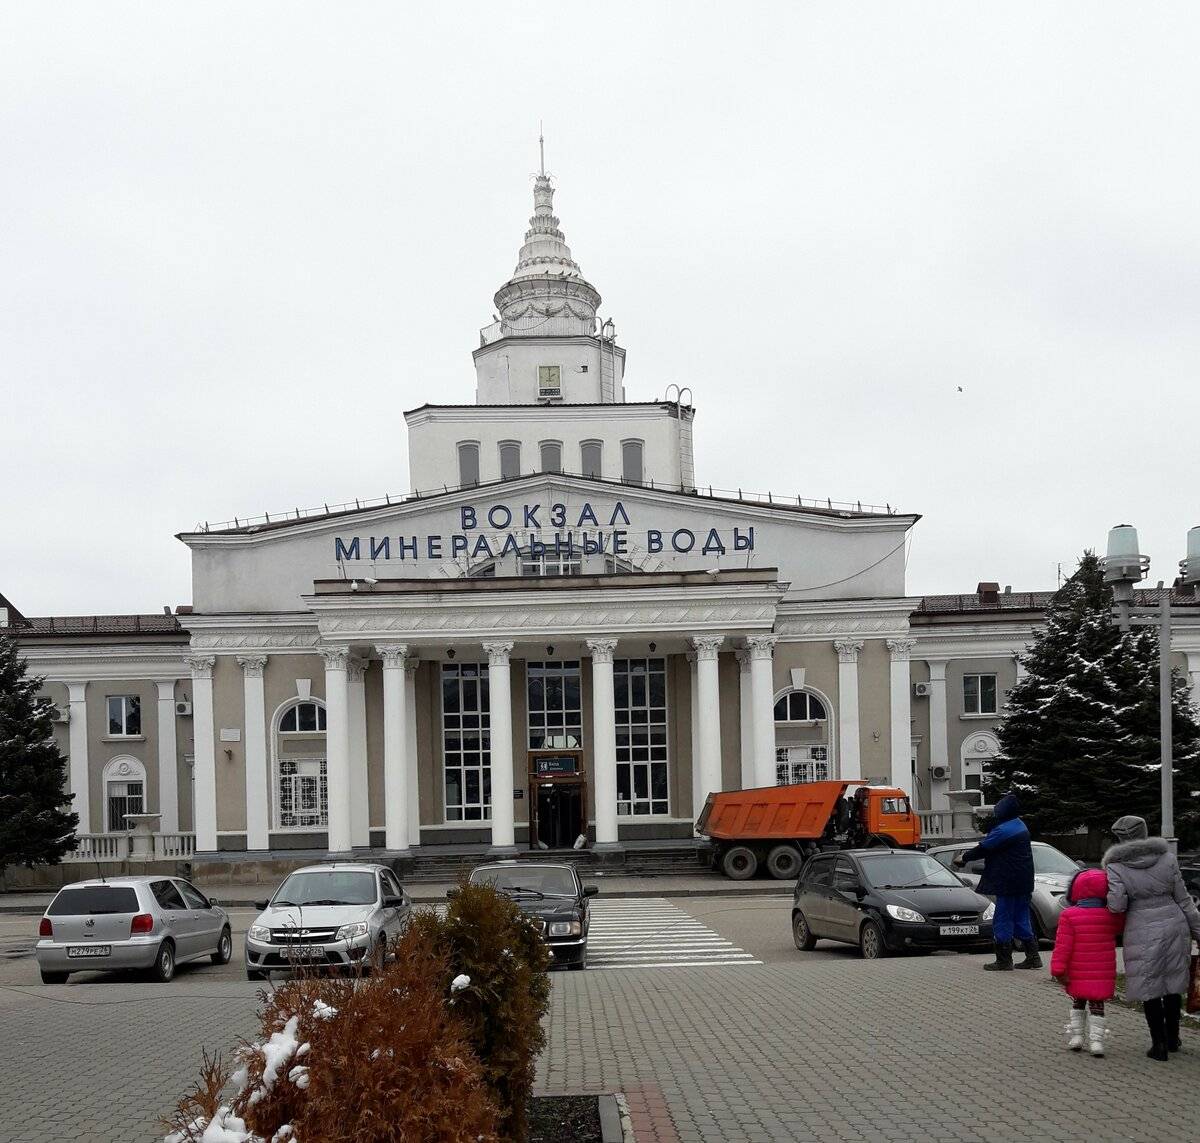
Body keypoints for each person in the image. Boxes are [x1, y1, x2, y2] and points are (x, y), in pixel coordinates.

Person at [1104, 815, 1200, 1061]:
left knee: (1149, 986)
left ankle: (1157, 1045)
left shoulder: (1115, 866)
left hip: (1140, 927)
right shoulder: (1167, 858)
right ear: (1145, 832)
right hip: (1174, 924)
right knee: (1173, 982)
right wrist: (1198, 931)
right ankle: (1173, 1038)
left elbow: (1116, 905)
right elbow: (1184, 899)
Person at [954, 792, 1039, 970]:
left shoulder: (1004, 830)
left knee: (1002, 919)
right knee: (1021, 918)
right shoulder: (1020, 825)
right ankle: (1033, 956)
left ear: (1002, 811)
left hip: (1008, 882)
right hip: (1024, 882)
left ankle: (1004, 960)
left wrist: (964, 858)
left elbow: (983, 848)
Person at [1049, 867, 1124, 1056]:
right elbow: (1123, 926)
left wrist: (1058, 969)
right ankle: (1097, 1042)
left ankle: (1077, 1037)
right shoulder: (1111, 916)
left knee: (1078, 1002)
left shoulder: (1069, 915)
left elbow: (1062, 946)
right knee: (1097, 1005)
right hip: (1102, 971)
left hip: (1077, 970)